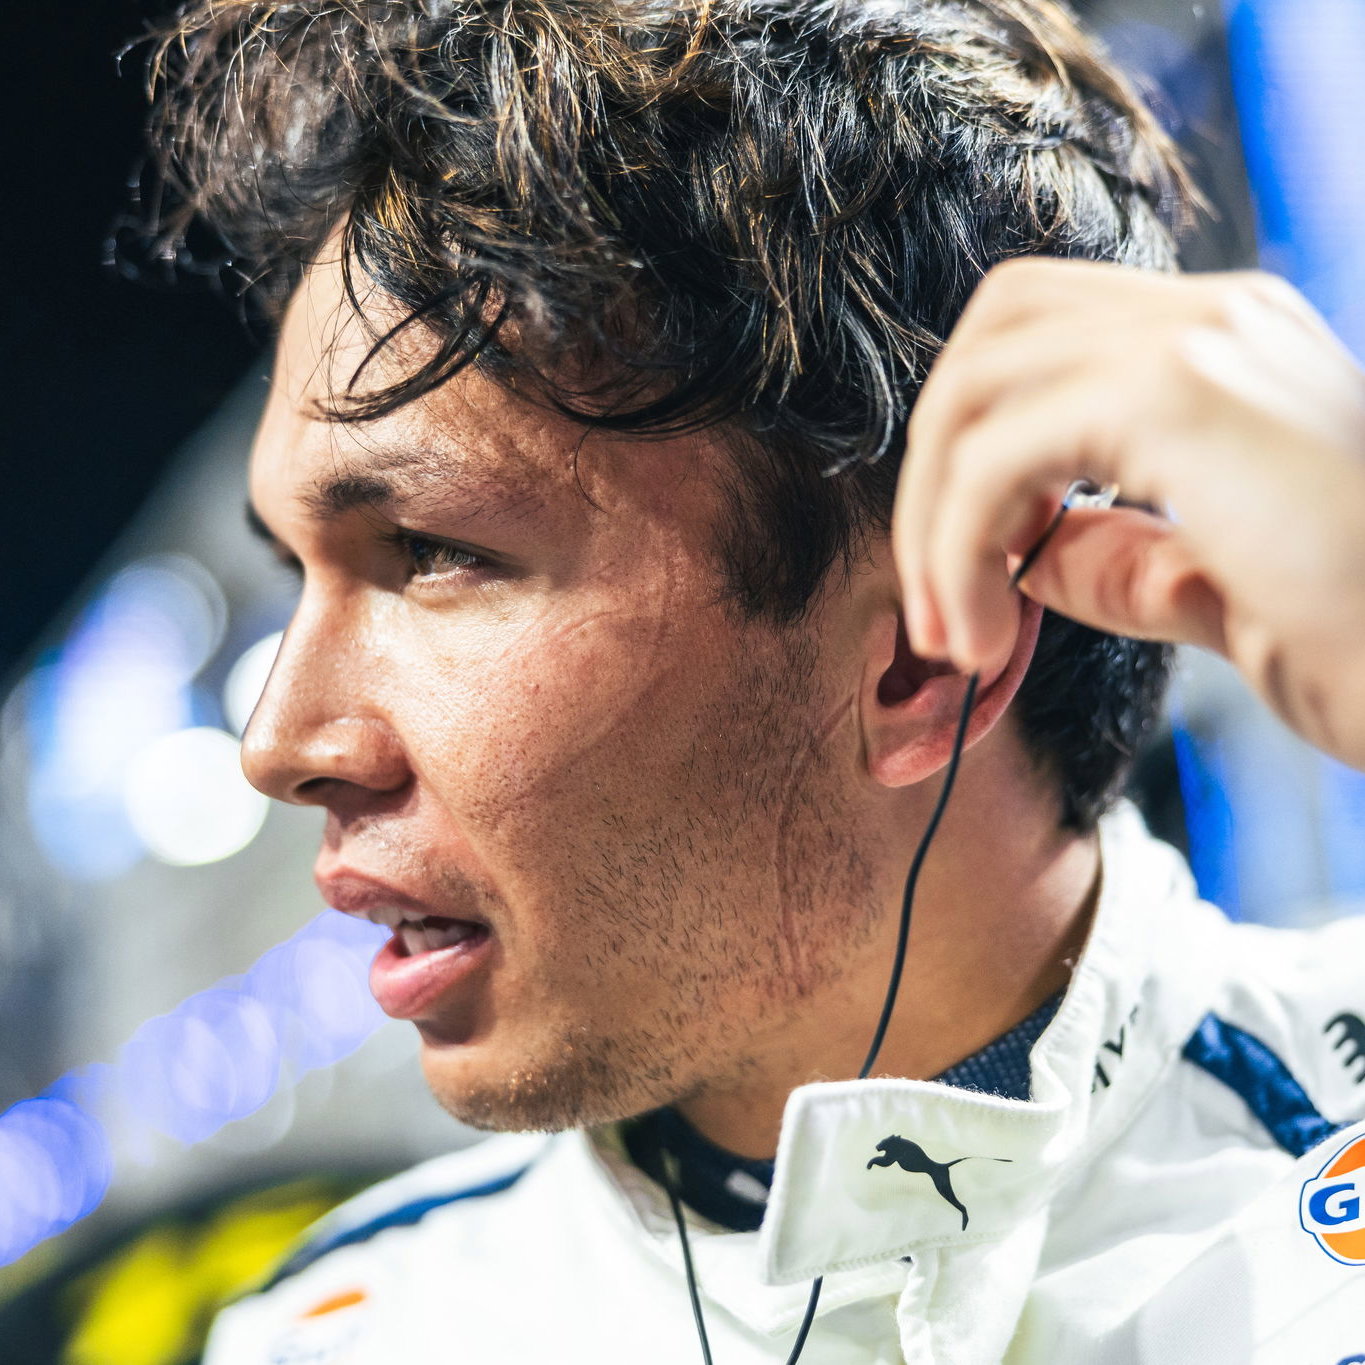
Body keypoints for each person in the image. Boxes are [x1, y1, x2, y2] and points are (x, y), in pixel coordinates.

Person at [137, 0, 1365, 1358]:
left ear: (921, 655)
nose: (277, 743)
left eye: (431, 552)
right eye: (298, 573)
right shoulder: (330, 1334)